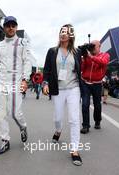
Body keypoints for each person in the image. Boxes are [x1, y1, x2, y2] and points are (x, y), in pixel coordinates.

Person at [42, 24, 83, 166]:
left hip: (73, 88)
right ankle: (58, 130)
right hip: (58, 89)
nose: (63, 34)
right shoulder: (52, 51)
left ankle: (75, 150)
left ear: (71, 35)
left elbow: (79, 70)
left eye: (66, 32)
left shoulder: (77, 52)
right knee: (58, 117)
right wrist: (45, 83)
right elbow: (46, 70)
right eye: (61, 32)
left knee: (74, 119)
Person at [0, 16, 32, 154]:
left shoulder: (22, 43)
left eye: (13, 25)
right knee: (1, 114)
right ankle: (5, 141)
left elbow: (27, 62)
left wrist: (25, 80)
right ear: (4, 27)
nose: (11, 27)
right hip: (1, 83)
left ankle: (23, 127)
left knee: (15, 113)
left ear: (16, 27)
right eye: (8, 25)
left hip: (16, 82)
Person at [80, 40, 110, 133]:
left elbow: (103, 62)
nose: (92, 47)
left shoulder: (105, 55)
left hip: (97, 83)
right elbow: (82, 68)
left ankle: (97, 121)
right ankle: (85, 125)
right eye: (91, 45)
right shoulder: (87, 56)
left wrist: (91, 56)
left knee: (97, 104)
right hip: (85, 83)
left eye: (94, 46)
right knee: (85, 104)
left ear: (99, 46)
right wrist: (84, 58)